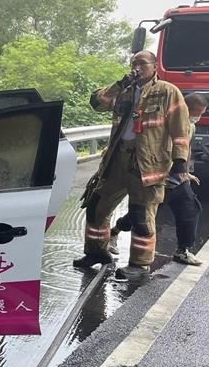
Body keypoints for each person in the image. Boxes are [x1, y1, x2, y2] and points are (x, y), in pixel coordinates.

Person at [73, 51, 192, 280]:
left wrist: (180, 161)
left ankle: (139, 264)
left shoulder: (167, 92)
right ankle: (97, 252)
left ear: (154, 66)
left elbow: (181, 128)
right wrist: (119, 84)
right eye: (134, 63)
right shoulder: (124, 90)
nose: (137, 67)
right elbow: (97, 103)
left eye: (142, 63)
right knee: (96, 204)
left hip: (148, 162)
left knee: (141, 213)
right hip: (117, 158)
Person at [112, 92, 208, 265]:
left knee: (190, 209)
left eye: (201, 114)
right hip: (158, 177)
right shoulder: (164, 122)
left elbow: (185, 150)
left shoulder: (190, 127)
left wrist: (185, 172)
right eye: (196, 113)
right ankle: (115, 231)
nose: (198, 117)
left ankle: (182, 250)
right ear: (185, 108)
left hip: (178, 179)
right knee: (144, 213)